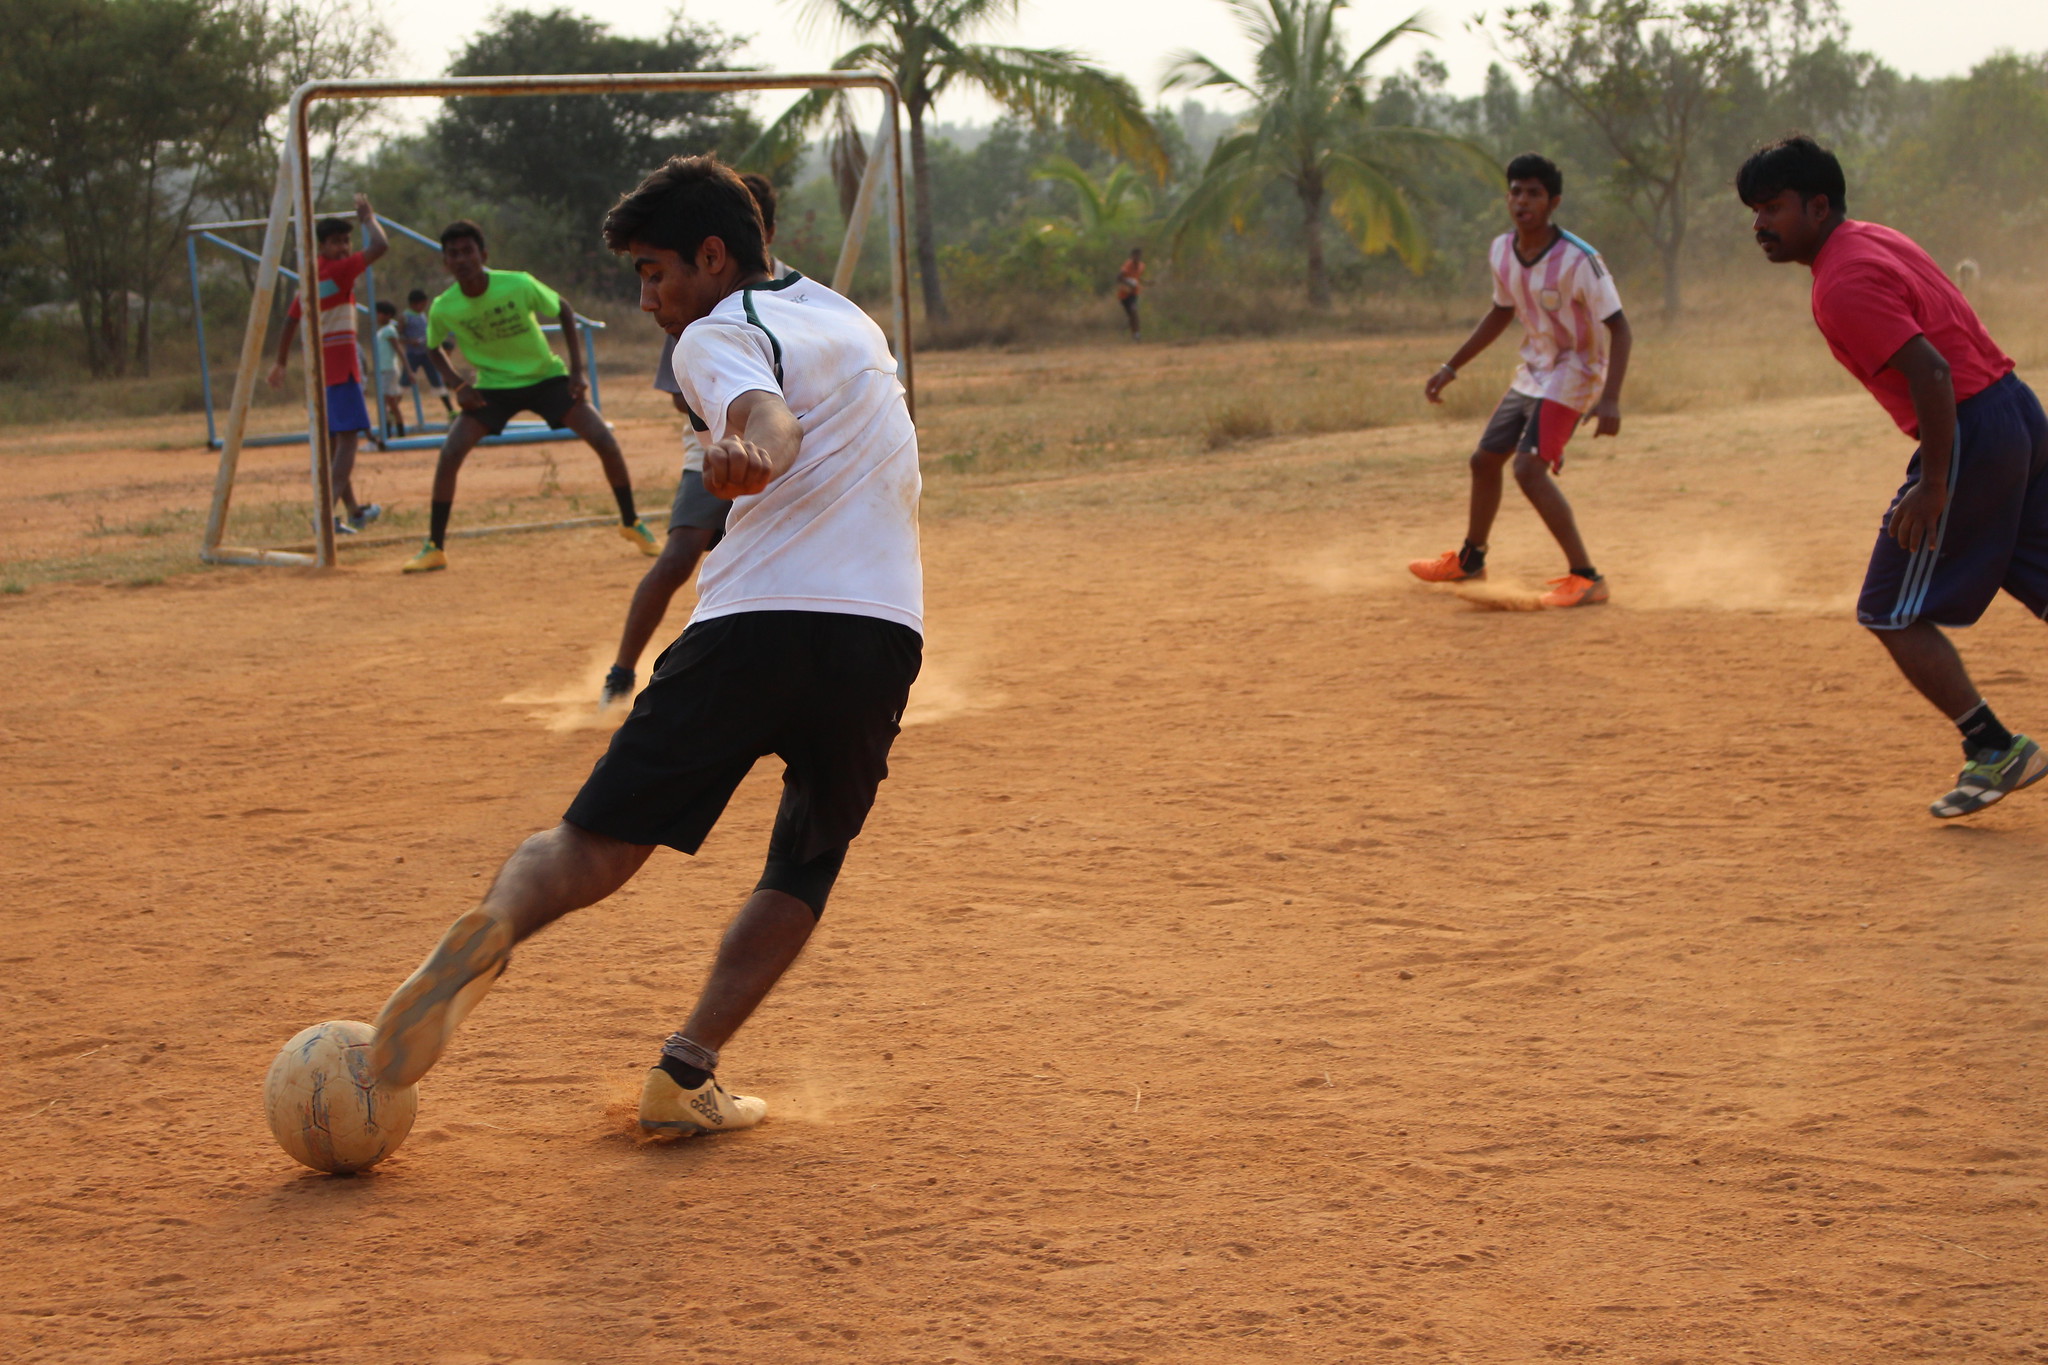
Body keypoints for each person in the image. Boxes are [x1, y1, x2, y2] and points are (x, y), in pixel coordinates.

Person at [368, 155, 924, 1140]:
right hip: (876, 635)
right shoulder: (847, 317)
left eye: (655, 272)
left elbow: (767, 414)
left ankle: (492, 932)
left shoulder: (715, 335)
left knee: (592, 844)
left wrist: (752, 448)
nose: (647, 298)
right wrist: (756, 443)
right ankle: (685, 1072)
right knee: (806, 861)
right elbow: (787, 411)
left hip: (751, 627)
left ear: (715, 256)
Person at [1740, 134, 2048, 818]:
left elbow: (1933, 372)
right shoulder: (1872, 237)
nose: (1758, 224)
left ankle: (1993, 747)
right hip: (2016, 409)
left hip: (1972, 429)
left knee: (1887, 607)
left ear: (1819, 206)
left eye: (1772, 208)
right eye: (1754, 210)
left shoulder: (1841, 282)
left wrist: (1934, 484)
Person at [603, 170, 790, 709]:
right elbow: (691, 396)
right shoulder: (693, 308)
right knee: (682, 551)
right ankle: (621, 672)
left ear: (763, 231)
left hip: (773, 443)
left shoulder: (790, 294)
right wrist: (732, 431)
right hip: (715, 438)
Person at [1410, 153, 1632, 608]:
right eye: (1515, 191)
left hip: (1577, 373)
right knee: (1483, 460)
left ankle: (1587, 578)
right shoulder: (1500, 250)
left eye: (1533, 193)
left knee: (1527, 470)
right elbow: (1500, 311)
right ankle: (1472, 561)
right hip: (1534, 371)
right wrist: (1450, 367)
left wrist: (1610, 399)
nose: (1522, 201)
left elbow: (1621, 328)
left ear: (1554, 202)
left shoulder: (1580, 259)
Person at [401, 220, 657, 573]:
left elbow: (564, 309)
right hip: (492, 387)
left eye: (467, 251)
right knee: (451, 452)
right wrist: (459, 385)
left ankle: (631, 522)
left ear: (483, 255)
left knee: (604, 439)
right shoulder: (445, 306)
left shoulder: (517, 284)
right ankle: (434, 546)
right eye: (453, 254)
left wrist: (577, 371)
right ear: (445, 263)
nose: (461, 259)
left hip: (546, 378)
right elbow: (432, 348)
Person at [266, 193, 385, 537]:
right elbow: (380, 246)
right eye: (337, 242)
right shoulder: (339, 271)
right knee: (348, 440)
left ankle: (353, 511)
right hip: (341, 368)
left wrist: (280, 362)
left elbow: (290, 321)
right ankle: (324, 512)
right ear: (321, 246)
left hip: (321, 372)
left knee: (335, 443)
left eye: (347, 241)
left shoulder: (312, 276)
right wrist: (368, 218)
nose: (345, 248)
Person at [400, 288, 457, 421]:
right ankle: (392, 411)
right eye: (422, 304)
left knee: (437, 381)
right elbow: (399, 336)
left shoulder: (423, 315)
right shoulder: (405, 317)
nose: (423, 307)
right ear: (414, 304)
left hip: (426, 354)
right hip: (412, 355)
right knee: (404, 382)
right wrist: (410, 341)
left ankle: (451, 412)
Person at [372, 300, 410, 440]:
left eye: (379, 314)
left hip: (388, 370)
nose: (377, 316)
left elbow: (398, 350)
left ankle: (392, 431)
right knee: (390, 402)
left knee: (386, 401)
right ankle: (395, 430)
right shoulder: (381, 331)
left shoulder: (389, 330)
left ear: (387, 315)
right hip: (383, 370)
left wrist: (409, 370)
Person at [1116, 247, 1144, 341]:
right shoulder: (1127, 265)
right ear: (1132, 256)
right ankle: (1130, 332)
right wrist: (1129, 283)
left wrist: (1147, 282)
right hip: (1124, 294)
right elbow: (1119, 277)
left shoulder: (1142, 266)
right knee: (1131, 315)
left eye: (1139, 255)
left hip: (1134, 293)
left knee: (1134, 311)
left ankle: (1137, 334)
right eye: (1135, 255)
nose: (1137, 257)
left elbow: (1137, 277)